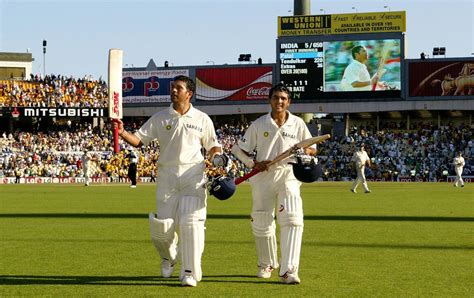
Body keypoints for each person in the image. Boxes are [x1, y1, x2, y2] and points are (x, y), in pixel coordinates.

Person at [112, 75, 223, 287]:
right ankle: (168, 256)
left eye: (178, 88)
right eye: (172, 87)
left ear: (189, 93)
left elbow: (212, 146)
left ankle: (189, 272)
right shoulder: (160, 117)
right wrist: (122, 131)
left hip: (193, 175)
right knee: (162, 230)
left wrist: (217, 157)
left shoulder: (202, 119)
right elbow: (138, 141)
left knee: (191, 225)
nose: (173, 91)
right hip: (167, 176)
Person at [231, 83, 317, 284]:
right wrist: (253, 163)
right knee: (262, 221)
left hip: (288, 173)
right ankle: (266, 263)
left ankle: (289, 270)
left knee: (293, 218)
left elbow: (312, 149)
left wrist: (304, 152)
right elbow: (238, 149)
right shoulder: (259, 124)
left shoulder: (297, 124)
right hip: (263, 175)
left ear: (289, 102)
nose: (279, 101)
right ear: (270, 100)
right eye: (276, 97)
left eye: (283, 99)